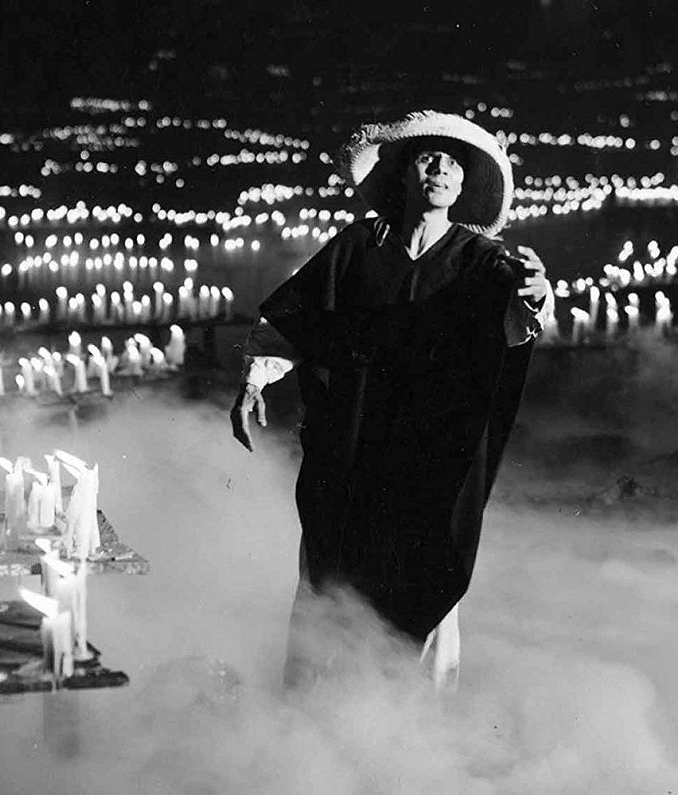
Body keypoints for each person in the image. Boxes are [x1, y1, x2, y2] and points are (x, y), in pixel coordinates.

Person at [230, 110, 553, 689]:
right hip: (352, 444)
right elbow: (298, 318)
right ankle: (309, 709)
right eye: (428, 158)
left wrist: (533, 296)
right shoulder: (357, 247)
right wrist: (255, 381)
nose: (440, 169)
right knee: (330, 574)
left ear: (463, 184)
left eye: (453, 163)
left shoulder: (482, 260)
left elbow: (516, 321)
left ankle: (416, 722)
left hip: (432, 452)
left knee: (424, 578)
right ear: (404, 173)